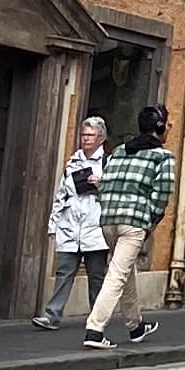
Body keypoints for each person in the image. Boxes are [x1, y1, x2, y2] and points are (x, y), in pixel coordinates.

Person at [85, 105, 178, 346]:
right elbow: (162, 194)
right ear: (158, 128)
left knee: (125, 272)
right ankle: (94, 330)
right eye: (167, 124)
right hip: (134, 222)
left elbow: (104, 184)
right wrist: (150, 222)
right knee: (117, 275)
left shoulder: (118, 151)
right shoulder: (163, 157)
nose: (169, 128)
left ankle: (135, 326)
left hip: (109, 220)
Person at [38, 116, 110, 329]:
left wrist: (102, 184)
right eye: (83, 135)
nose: (85, 139)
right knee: (64, 272)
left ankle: (97, 319)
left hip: (95, 228)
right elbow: (61, 195)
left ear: (101, 138)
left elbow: (116, 195)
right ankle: (52, 315)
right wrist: (53, 225)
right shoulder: (72, 163)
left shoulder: (109, 163)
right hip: (70, 227)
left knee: (96, 277)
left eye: (90, 135)